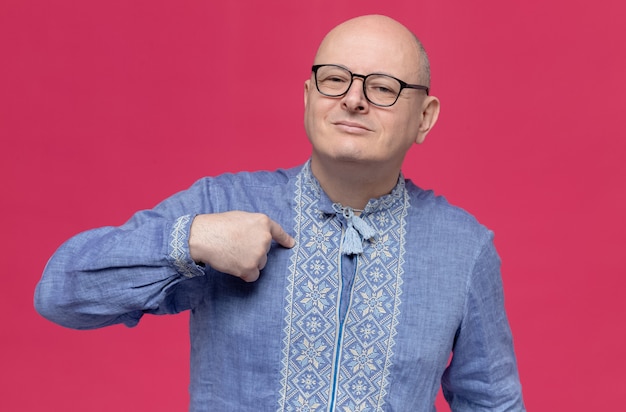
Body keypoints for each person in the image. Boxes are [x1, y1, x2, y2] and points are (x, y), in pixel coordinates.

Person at [35, 14, 525, 411]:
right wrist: (193, 239)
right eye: (334, 80)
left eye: (382, 88)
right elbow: (60, 293)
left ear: (424, 117)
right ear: (308, 97)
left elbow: (493, 403)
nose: (353, 100)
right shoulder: (222, 206)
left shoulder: (463, 247)